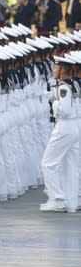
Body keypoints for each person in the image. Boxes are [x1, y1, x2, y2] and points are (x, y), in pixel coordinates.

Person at [40, 56, 80, 212]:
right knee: (72, 164)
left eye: (56, 68)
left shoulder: (63, 88)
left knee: (48, 163)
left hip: (65, 126)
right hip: (75, 125)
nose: (53, 71)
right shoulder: (75, 84)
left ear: (63, 70)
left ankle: (56, 198)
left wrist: (53, 102)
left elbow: (65, 111)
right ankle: (73, 200)